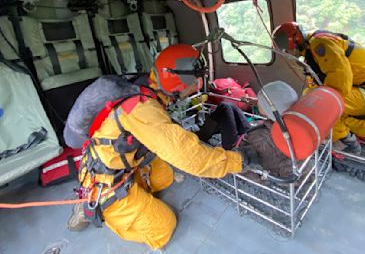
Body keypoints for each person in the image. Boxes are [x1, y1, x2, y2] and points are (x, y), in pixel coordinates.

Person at [64, 44, 257, 250]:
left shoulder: (145, 87)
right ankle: (91, 208)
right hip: (106, 182)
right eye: (194, 81)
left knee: (165, 175)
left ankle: (138, 199)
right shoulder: (141, 108)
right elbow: (191, 157)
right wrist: (239, 160)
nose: (198, 86)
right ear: (176, 80)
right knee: (163, 227)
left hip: (126, 164)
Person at [272, 22, 365, 154]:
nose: (290, 54)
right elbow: (315, 85)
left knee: (323, 107)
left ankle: (347, 144)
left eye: (288, 50)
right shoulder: (311, 51)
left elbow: (341, 78)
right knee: (314, 98)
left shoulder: (320, 43)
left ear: (295, 41)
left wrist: (318, 108)